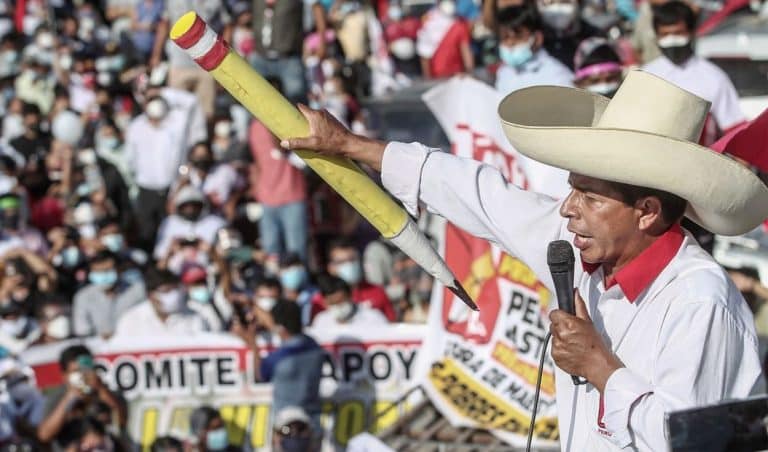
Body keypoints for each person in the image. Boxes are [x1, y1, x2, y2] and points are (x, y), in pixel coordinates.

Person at [281, 70, 768, 450]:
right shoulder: (582, 249)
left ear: (647, 212)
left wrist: (600, 368)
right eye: (572, 188)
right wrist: (351, 145)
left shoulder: (699, 300)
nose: (568, 208)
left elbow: (691, 441)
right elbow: (480, 194)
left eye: (590, 196)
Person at [642, 1, 745, 142]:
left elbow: (733, 128)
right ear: (657, 36)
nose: (671, 40)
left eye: (678, 33)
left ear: (691, 32)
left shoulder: (714, 77)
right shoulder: (645, 75)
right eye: (665, 34)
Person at [234, 300, 324, 433]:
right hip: (314, 423)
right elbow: (283, 329)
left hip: (288, 428)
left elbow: (260, 375)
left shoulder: (279, 358)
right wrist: (253, 304)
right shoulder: (314, 346)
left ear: (281, 328)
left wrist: (252, 343)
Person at [125, 95, 190, 252]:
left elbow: (181, 156)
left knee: (169, 229)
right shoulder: (136, 127)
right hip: (145, 188)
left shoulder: (175, 125)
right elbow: (130, 158)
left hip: (170, 189)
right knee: (146, 229)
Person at [249, 107, 309, 264]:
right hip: (266, 198)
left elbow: (284, 150)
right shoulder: (255, 126)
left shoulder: (289, 120)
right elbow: (257, 162)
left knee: (296, 252)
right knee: (270, 253)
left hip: (292, 196)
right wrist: (257, 190)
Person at [38, 345, 126, 446]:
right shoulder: (56, 398)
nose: (82, 375)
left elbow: (122, 422)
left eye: (85, 370)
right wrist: (69, 398)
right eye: (76, 371)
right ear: (64, 375)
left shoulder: (109, 394)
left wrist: (100, 389)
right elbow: (44, 435)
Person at [251, 0, 328, 104]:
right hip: (260, 56)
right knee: (252, 97)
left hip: (289, 57)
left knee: (296, 100)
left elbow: (316, 7)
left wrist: (322, 42)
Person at [494, 5, 574, 95]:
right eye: (505, 37)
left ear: (538, 38)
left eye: (518, 37)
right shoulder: (504, 72)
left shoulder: (558, 76)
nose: (510, 43)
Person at [114, 268, 210, 337]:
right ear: (151, 295)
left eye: (175, 290)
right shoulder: (131, 320)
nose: (174, 296)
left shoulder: (194, 318)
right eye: (166, 291)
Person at [72, 250, 146, 338]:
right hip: (97, 344)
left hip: (133, 341)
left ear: (119, 269)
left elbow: (146, 321)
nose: (103, 275)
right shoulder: (83, 297)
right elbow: (82, 330)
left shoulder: (137, 290)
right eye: (98, 272)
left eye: (107, 270)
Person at [326, 238, 395, 321]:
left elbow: (391, 324)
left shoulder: (377, 292)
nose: (349, 265)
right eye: (342, 262)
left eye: (352, 259)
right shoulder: (321, 300)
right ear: (330, 268)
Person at [153, 185, 226, 262]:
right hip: (175, 267)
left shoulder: (216, 223)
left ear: (202, 205)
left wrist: (211, 251)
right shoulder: (169, 223)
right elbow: (159, 257)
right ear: (179, 207)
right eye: (186, 206)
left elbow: (227, 257)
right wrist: (171, 251)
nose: (190, 210)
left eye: (194, 205)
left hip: (208, 266)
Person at [416, 0, 474, 79]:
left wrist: (469, 73)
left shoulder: (460, 24)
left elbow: (466, 52)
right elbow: (424, 53)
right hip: (438, 77)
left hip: (455, 76)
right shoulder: (428, 22)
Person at [313, 275, 388, 327]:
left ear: (350, 296)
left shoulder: (373, 317)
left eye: (341, 302)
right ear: (325, 302)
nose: (338, 306)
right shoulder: (321, 321)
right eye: (333, 303)